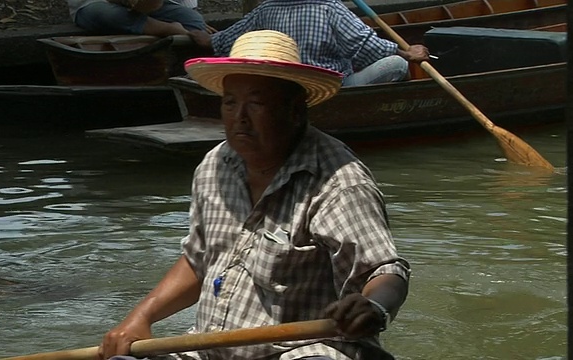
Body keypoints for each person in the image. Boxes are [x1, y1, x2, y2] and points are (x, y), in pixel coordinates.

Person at [99, 30, 411, 360]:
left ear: (294, 109)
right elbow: (201, 256)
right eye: (230, 103)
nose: (240, 119)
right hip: (210, 347)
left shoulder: (338, 181)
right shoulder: (216, 165)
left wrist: (375, 306)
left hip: (305, 350)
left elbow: (384, 271)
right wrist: (141, 316)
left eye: (257, 103)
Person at [187, 0, 430, 86]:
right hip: (332, 86)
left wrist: (204, 38)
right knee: (396, 64)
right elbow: (366, 47)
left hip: (283, 85)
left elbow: (225, 41)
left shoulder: (266, 9)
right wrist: (407, 53)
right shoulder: (329, 7)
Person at [67, 0, 209, 37]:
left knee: (192, 20)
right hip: (93, 5)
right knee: (111, 15)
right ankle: (169, 29)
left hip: (142, 7)